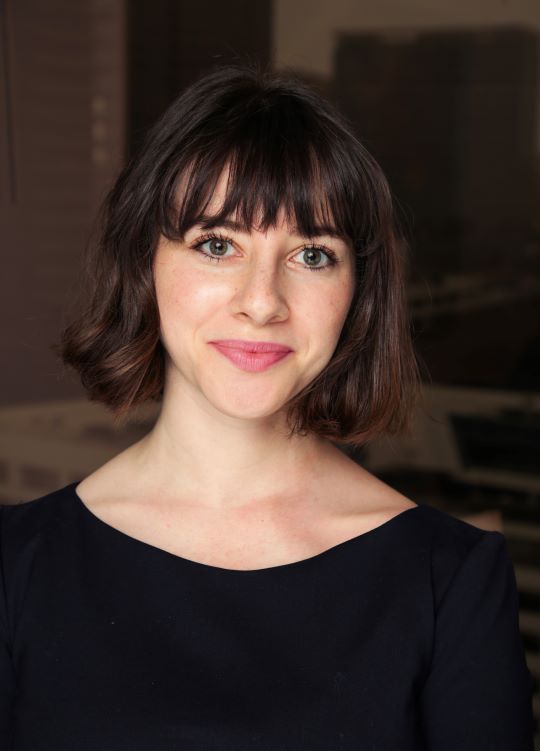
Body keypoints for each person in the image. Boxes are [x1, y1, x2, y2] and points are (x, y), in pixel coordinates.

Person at [0, 63, 535, 750]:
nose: (261, 302)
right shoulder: (17, 566)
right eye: (217, 245)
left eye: (312, 255)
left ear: (358, 292)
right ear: (143, 262)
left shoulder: (451, 581)